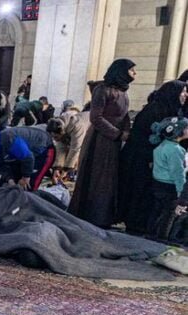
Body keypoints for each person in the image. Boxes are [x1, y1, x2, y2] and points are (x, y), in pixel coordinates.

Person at [69, 58, 136, 228]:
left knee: (109, 179)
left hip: (114, 140)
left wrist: (126, 131)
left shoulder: (123, 92)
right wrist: (117, 134)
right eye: (131, 70)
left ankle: (104, 216)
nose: (134, 73)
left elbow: (124, 115)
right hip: (100, 140)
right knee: (98, 178)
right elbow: (96, 118)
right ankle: (92, 215)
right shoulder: (103, 90)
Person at [118, 80, 187, 234]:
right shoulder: (155, 109)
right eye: (182, 92)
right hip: (141, 159)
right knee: (139, 193)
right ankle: (135, 226)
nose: (185, 95)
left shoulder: (170, 108)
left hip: (154, 160)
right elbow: (143, 137)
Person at [0, 126, 53, 190]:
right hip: (23, 157)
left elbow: (28, 158)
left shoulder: (7, 139)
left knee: (29, 186)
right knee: (6, 186)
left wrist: (25, 177)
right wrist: (10, 181)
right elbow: (3, 167)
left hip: (43, 150)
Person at [148, 117, 188, 240]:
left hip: (157, 183)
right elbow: (178, 172)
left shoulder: (162, 146)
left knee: (156, 211)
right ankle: (162, 237)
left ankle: (151, 233)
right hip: (170, 186)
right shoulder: (176, 150)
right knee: (169, 214)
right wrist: (181, 191)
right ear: (178, 132)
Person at [47, 105, 89, 185]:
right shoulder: (60, 123)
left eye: (56, 137)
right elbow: (60, 148)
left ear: (61, 132)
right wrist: (57, 168)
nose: (55, 139)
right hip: (76, 133)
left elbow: (75, 148)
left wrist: (66, 169)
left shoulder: (77, 125)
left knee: (80, 155)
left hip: (92, 131)